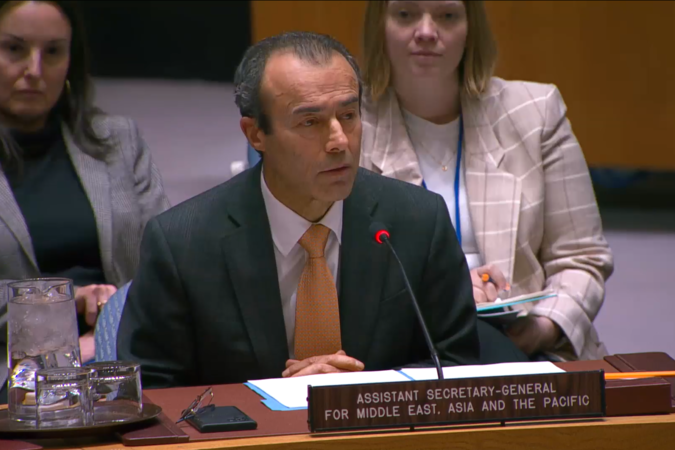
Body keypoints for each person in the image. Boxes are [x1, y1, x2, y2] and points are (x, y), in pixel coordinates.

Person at [117, 31, 479, 389]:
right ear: (255, 134)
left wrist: (366, 392)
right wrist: (278, 397)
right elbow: (151, 390)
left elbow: (457, 363)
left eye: (348, 115)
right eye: (310, 122)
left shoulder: (418, 222)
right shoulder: (183, 244)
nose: (339, 141)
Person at [359, 0, 614, 362]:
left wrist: (543, 328)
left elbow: (581, 257)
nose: (426, 31)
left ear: (471, 27)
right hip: (406, 351)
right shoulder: (348, 125)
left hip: (530, 350)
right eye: (405, 14)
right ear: (379, 26)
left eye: (447, 16)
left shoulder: (535, 111)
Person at [0, 0, 170, 401]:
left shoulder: (118, 140)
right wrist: (62, 303)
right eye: (14, 49)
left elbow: (167, 259)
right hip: (13, 370)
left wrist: (108, 334)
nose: (34, 69)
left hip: (125, 351)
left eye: (53, 52)